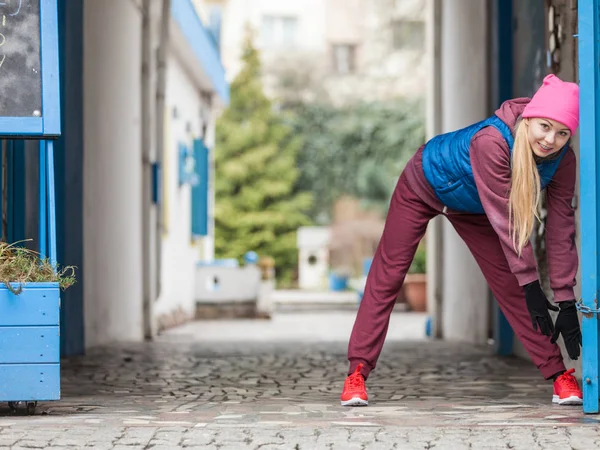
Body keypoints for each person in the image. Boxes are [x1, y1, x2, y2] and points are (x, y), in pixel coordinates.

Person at [341, 74, 583, 407]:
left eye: (562, 133)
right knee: (389, 274)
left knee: (514, 285)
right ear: (529, 119)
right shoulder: (492, 142)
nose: (550, 139)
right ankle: (357, 373)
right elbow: (508, 220)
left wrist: (566, 299)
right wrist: (532, 284)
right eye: (545, 126)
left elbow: (561, 228)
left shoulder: (562, 162)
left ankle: (559, 376)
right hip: (423, 184)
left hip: (474, 205)